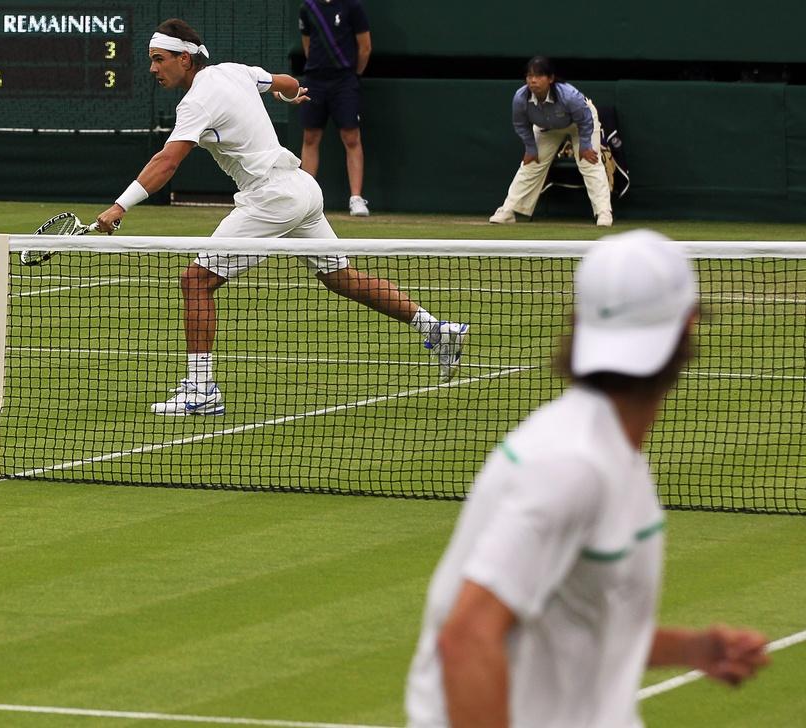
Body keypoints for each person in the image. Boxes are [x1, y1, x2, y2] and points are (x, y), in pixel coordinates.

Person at [405, 230, 770, 727]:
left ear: (579, 324)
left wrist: (692, 648)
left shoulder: (603, 449)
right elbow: (467, 637)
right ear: (688, 327)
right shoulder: (570, 466)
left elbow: (577, 628)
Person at [94, 19, 467, 416]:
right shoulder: (235, 72)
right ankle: (437, 329)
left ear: (185, 59)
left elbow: (167, 160)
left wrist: (120, 206)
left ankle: (201, 391)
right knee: (341, 278)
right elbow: (287, 82)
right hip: (302, 188)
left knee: (195, 281)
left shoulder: (197, 101)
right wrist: (291, 96)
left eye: (159, 59)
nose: (153, 69)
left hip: (271, 197)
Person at [489, 56, 614, 227]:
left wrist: (585, 145)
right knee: (531, 164)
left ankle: (603, 212)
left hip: (580, 124)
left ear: (550, 78)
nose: (533, 80)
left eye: (539, 76)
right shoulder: (520, 98)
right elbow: (521, 125)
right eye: (529, 76)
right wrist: (531, 148)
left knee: (589, 161)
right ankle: (508, 210)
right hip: (547, 127)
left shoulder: (569, 96)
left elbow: (585, 119)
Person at [297, 0, 372, 217]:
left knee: (351, 137)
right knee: (310, 138)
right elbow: (307, 45)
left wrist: (351, 74)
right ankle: (306, 200)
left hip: (345, 81)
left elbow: (365, 47)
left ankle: (356, 198)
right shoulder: (307, 8)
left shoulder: (353, 6)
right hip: (315, 80)